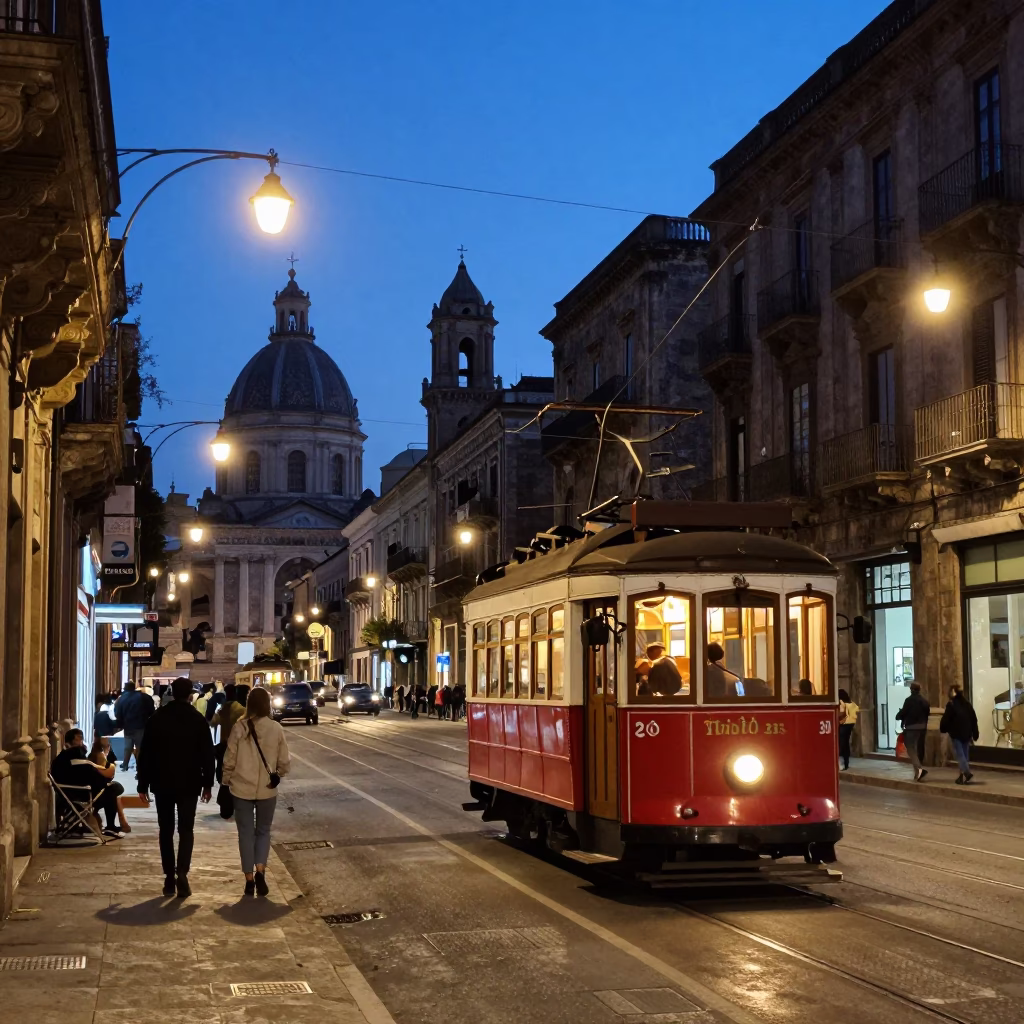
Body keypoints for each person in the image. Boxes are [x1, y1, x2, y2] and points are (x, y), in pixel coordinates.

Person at [136, 676, 215, 898]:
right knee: (186, 830)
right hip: (189, 782)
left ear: (171, 692)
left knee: (166, 830)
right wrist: (207, 784)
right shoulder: (197, 719)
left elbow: (146, 754)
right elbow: (207, 755)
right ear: (190, 694)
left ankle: (169, 877)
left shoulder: (157, 718)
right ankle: (182, 873)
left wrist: (143, 783)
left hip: (162, 782)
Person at [222, 687, 291, 897]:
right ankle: (261, 870)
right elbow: (284, 761)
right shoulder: (275, 728)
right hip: (267, 791)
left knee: (245, 833)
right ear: (268, 704)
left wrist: (226, 781)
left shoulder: (239, 727)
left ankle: (249, 879)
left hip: (241, 788)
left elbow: (229, 758)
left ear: (249, 703)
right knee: (263, 831)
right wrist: (279, 773)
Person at [51, 729, 119, 836]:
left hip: (70, 793)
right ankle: (110, 826)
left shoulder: (66, 757)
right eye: (79, 739)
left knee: (111, 788)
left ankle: (101, 822)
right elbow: (96, 775)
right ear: (70, 742)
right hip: (78, 794)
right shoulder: (74, 757)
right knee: (113, 789)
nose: (82, 742)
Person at [87, 737, 132, 833]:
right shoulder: (99, 755)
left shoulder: (100, 756)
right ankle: (116, 823)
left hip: (94, 792)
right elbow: (109, 773)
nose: (108, 747)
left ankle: (119, 822)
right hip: (93, 794)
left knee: (114, 792)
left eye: (108, 745)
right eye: (107, 746)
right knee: (113, 792)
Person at [940, 683, 979, 784]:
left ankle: (966, 773)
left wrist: (943, 728)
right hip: (967, 732)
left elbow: (946, 719)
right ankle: (962, 777)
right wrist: (975, 732)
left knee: (960, 754)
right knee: (965, 754)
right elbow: (973, 719)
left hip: (956, 733)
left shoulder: (951, 704)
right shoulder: (967, 704)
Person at [113, 681, 155, 772]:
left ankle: (125, 765)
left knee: (128, 746)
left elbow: (117, 713)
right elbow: (152, 710)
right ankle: (139, 767)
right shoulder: (143, 697)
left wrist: (122, 722)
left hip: (128, 726)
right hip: (141, 726)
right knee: (140, 747)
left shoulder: (122, 699)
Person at [896, 681, 930, 781]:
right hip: (923, 727)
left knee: (910, 747)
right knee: (918, 748)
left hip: (912, 727)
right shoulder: (925, 701)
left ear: (911, 689)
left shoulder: (909, 700)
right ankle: (917, 772)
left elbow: (903, 712)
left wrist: (898, 716)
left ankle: (919, 769)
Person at [213, 683, 247, 781]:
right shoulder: (241, 710)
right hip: (237, 746)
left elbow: (213, 722)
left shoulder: (222, 709)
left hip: (224, 745)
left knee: (222, 775)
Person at [837, 688, 860, 771]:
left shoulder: (841, 702)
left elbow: (841, 712)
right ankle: (846, 763)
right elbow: (857, 709)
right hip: (851, 724)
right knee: (846, 743)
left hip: (844, 723)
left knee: (841, 743)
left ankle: (841, 763)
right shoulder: (852, 703)